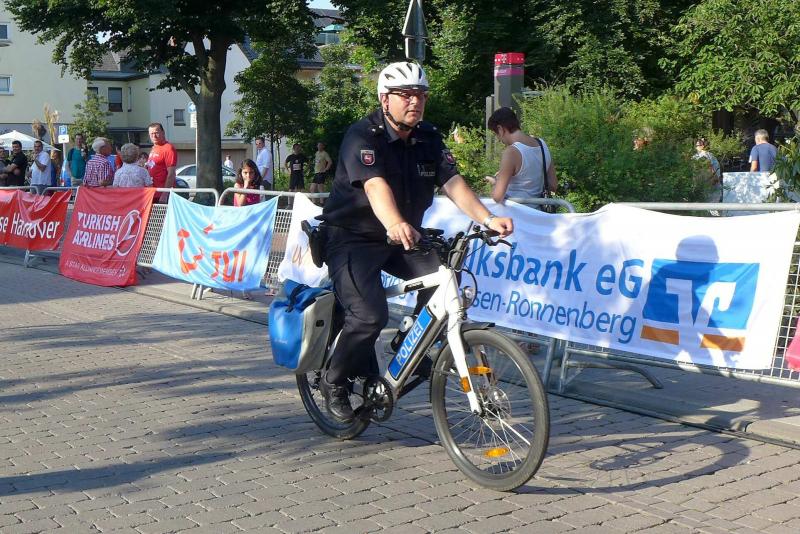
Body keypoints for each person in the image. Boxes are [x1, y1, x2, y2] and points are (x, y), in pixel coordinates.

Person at [316, 61, 513, 422]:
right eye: (405, 94)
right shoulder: (363, 136)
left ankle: (409, 342)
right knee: (369, 315)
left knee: (445, 279)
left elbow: (452, 182)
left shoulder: (428, 137)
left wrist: (487, 218)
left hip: (402, 236)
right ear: (385, 99)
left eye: (420, 95)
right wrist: (394, 222)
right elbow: (375, 186)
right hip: (351, 238)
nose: (415, 101)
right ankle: (335, 380)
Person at [485, 107, 557, 204]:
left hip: (517, 210)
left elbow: (498, 197)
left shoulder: (511, 152)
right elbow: (553, 186)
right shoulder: (542, 144)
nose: (498, 139)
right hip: (538, 211)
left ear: (500, 129)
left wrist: (496, 182)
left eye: (496, 134)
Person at [146, 122, 177, 202]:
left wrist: (164, 194)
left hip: (162, 194)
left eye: (156, 133)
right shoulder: (154, 147)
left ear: (163, 133)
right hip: (153, 192)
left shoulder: (168, 148)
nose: (154, 136)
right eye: (151, 134)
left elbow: (171, 174)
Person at [693, 137, 722, 202]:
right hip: (704, 180)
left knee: (711, 199)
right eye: (697, 145)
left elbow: (710, 167)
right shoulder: (695, 156)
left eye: (699, 145)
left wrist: (715, 178)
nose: (697, 147)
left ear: (703, 146)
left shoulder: (705, 154)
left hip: (710, 180)